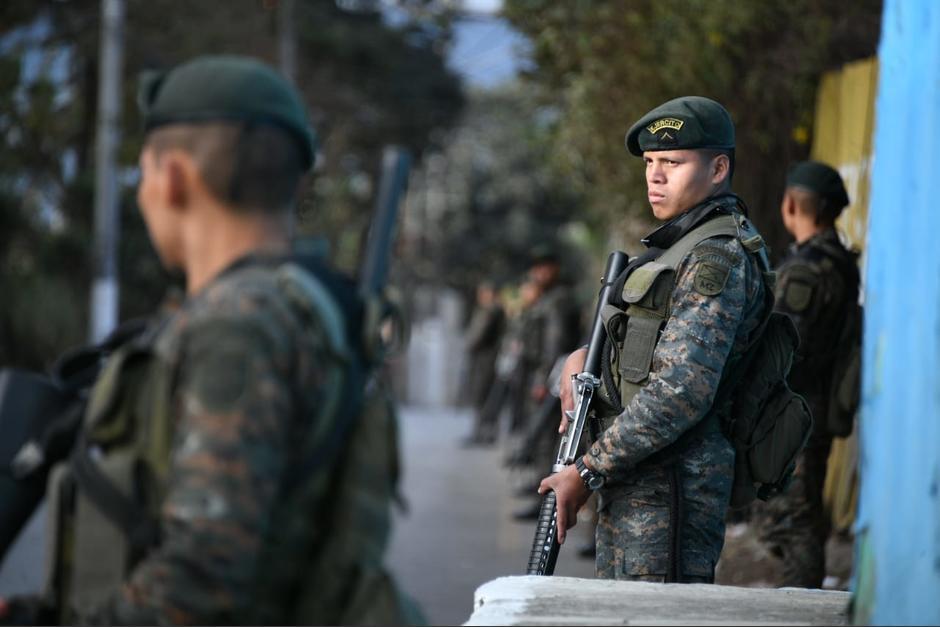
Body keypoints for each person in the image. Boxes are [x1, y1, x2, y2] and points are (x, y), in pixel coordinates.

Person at [0, 55, 413, 625]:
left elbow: (202, 579)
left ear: (172, 178)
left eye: (142, 173)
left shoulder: (236, 326)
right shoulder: (311, 303)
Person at [540, 96, 770, 583]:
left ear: (718, 169)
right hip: (639, 482)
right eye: (650, 162)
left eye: (673, 162)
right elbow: (641, 355)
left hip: (672, 493)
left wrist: (585, 472)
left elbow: (680, 390)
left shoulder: (717, 258)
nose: (655, 176)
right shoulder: (678, 248)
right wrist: (581, 359)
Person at [753, 160, 860, 588]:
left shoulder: (805, 269)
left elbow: (787, 346)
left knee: (795, 520)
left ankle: (803, 608)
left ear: (792, 204)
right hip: (813, 403)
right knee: (797, 513)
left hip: (796, 407)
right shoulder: (838, 260)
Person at [462, 281, 506, 446]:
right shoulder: (495, 310)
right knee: (484, 397)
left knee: (483, 397)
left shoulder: (491, 310)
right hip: (487, 359)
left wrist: (469, 344)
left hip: (485, 359)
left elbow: (478, 335)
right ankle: (482, 432)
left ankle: (483, 433)